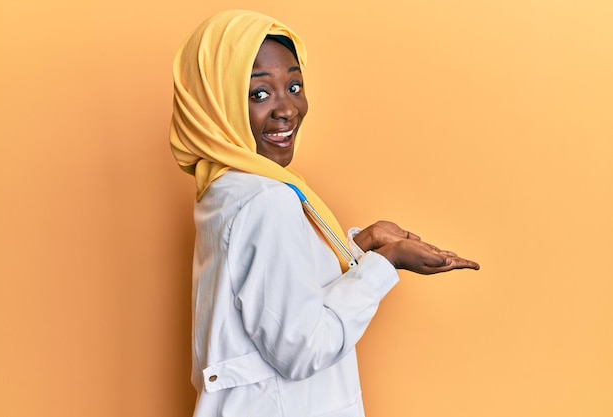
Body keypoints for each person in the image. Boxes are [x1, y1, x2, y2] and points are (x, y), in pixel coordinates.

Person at [169, 10, 479, 417]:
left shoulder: (226, 188)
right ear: (217, 101)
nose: (288, 109)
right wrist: (386, 263)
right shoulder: (267, 199)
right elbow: (302, 348)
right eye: (259, 94)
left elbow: (281, 293)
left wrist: (362, 244)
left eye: (294, 86)